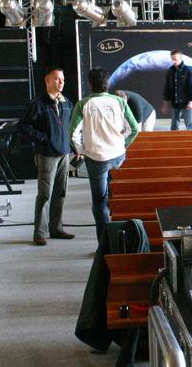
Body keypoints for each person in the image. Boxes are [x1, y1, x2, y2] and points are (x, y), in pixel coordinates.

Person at [71, 68, 140, 243]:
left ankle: (105, 243)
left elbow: (73, 134)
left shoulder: (83, 104)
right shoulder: (119, 101)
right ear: (107, 84)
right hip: (117, 156)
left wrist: (82, 150)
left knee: (99, 202)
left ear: (89, 84)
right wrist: (123, 144)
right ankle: (120, 241)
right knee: (114, 195)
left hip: (96, 158)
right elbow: (134, 129)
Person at [19, 68, 75, 246]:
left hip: (64, 154)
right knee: (45, 194)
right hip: (47, 155)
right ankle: (40, 233)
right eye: (57, 79)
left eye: (62, 79)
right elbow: (23, 126)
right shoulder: (37, 104)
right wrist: (43, 139)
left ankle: (56, 228)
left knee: (61, 192)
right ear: (47, 81)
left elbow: (70, 127)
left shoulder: (67, 103)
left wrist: (73, 148)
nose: (61, 82)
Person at [161, 49, 192, 130]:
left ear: (180, 58)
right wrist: (165, 103)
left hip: (187, 103)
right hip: (175, 103)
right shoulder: (170, 71)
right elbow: (167, 88)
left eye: (175, 59)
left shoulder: (188, 70)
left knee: (189, 125)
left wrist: (191, 101)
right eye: (172, 59)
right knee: (174, 125)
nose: (173, 61)